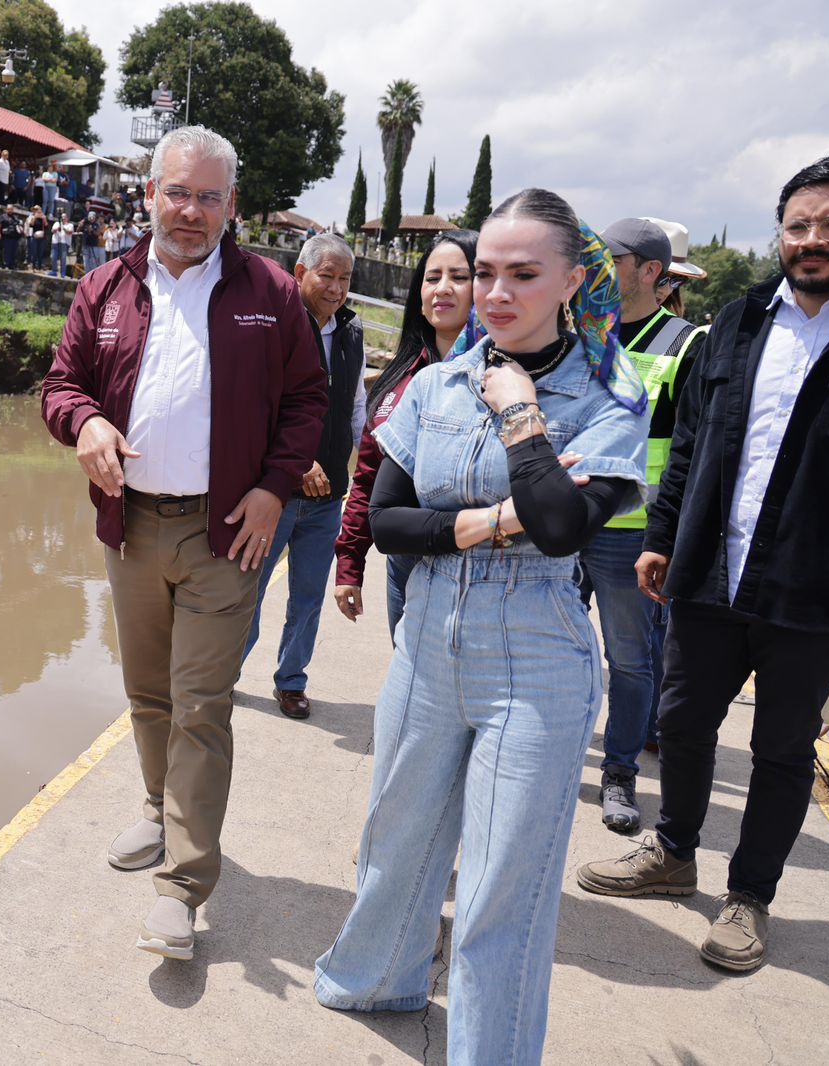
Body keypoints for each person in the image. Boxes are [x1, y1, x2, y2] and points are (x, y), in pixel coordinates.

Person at [314, 188, 650, 1066]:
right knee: (399, 835)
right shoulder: (433, 384)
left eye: (523, 274)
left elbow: (566, 529)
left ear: (573, 280)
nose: (495, 293)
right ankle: (376, 977)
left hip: (536, 663)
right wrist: (494, 520)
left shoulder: (612, 396)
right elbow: (389, 523)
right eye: (486, 272)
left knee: (507, 884)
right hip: (426, 646)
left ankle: (489, 1050)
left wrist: (519, 415)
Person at [42, 125, 326, 963]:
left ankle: (182, 886)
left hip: (223, 533)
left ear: (231, 205)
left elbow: (309, 398)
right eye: (178, 192)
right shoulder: (104, 287)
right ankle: (157, 804)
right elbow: (60, 385)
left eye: (209, 197)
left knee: (202, 704)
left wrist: (275, 488)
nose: (191, 211)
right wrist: (86, 421)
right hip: (129, 529)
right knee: (147, 693)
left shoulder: (269, 293)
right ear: (149, 194)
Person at [576, 156, 829, 973]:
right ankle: (673, 853)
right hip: (708, 572)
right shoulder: (737, 322)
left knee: (780, 749)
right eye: (799, 224)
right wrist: (663, 536)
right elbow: (691, 442)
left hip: (816, 592)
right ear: (780, 234)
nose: (813, 240)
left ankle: (750, 897)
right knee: (686, 722)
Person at [572, 217, 706, 833]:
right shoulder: (576, 329)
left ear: (650, 270)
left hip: (630, 533)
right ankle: (551, 750)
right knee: (542, 640)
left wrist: (667, 538)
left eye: (612, 259)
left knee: (629, 660)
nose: (598, 268)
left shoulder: (684, 344)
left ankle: (619, 773)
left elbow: (692, 449)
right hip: (562, 521)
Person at [242, 233, 363, 720]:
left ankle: (291, 681)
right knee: (246, 592)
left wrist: (366, 468)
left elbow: (356, 408)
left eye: (344, 279)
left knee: (309, 594)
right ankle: (222, 673)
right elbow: (254, 408)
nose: (336, 288)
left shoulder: (351, 334)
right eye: (326, 275)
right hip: (275, 494)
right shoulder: (273, 328)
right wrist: (296, 462)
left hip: (328, 497)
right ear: (299, 273)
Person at [333, 231, 477, 641]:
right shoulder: (398, 379)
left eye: (459, 276)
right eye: (432, 278)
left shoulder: (506, 378)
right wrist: (350, 565)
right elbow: (366, 478)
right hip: (402, 564)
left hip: (473, 569)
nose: (442, 289)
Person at [25, 206, 49, 274]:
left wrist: (44, 219)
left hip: (42, 237)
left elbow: (47, 227)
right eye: (37, 212)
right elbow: (31, 225)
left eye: (40, 212)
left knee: (40, 253)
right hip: (35, 237)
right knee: (34, 252)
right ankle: (33, 267)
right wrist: (35, 217)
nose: (39, 213)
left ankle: (39, 267)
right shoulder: (33, 217)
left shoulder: (43, 218)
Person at [49, 209, 72, 277]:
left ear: (67, 218)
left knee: (63, 258)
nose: (63, 218)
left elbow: (70, 232)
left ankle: (63, 273)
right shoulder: (56, 223)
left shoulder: (70, 225)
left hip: (64, 243)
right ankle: (54, 271)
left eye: (64, 217)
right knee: (53, 256)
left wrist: (63, 228)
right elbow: (52, 231)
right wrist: (57, 228)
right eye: (62, 217)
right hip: (55, 242)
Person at [81, 211, 104, 275]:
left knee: (93, 261)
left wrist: (92, 230)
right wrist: (82, 222)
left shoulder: (96, 225)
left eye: (93, 217)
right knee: (86, 261)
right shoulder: (85, 224)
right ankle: (87, 275)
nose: (91, 218)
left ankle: (93, 275)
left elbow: (98, 234)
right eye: (90, 217)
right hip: (86, 245)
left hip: (93, 245)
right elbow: (78, 229)